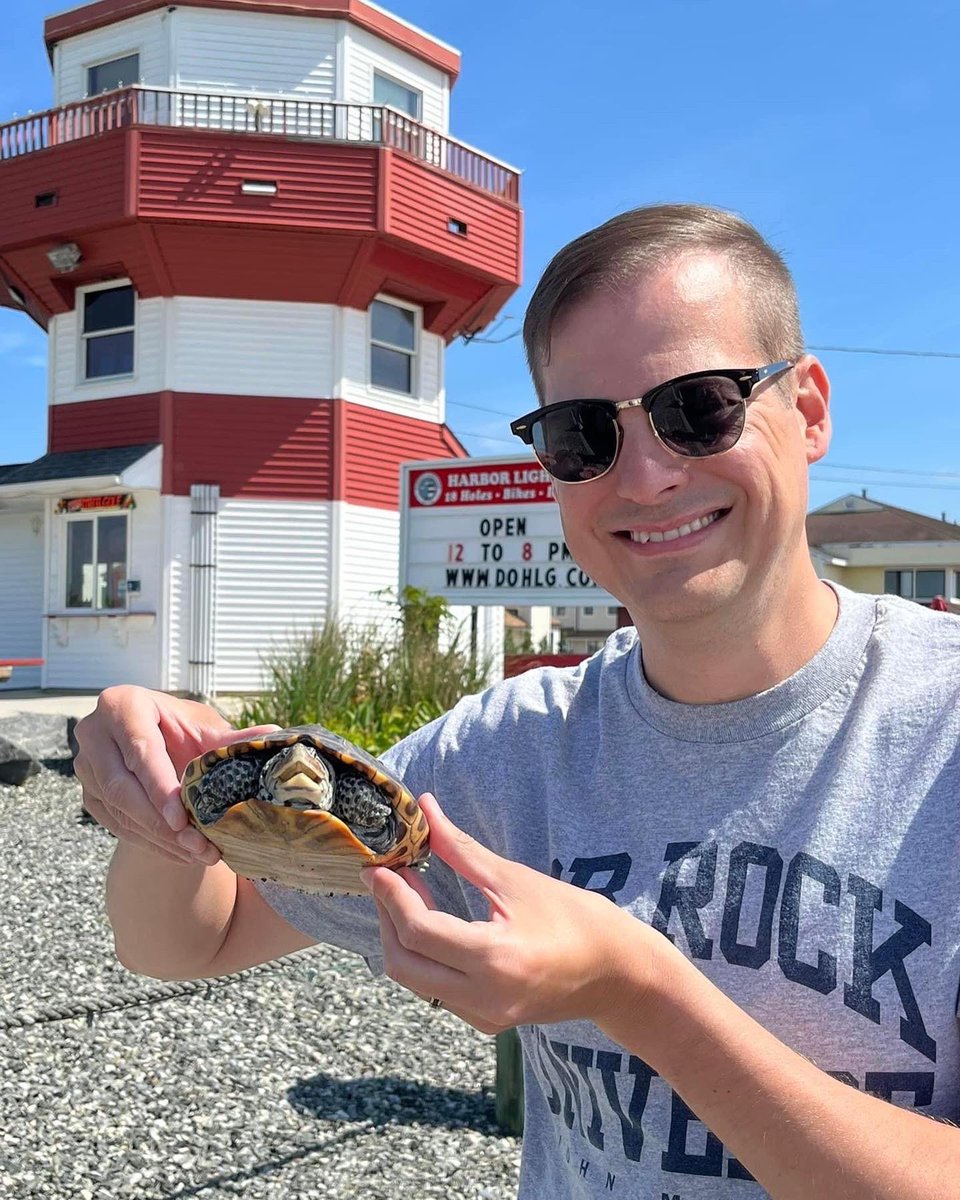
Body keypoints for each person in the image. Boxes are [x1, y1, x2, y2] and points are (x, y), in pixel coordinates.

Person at [75, 204, 960, 1199]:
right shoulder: (508, 753)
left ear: (808, 410)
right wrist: (163, 796)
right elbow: (188, 940)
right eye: (584, 434)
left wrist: (639, 993)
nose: (649, 473)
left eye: (699, 406)